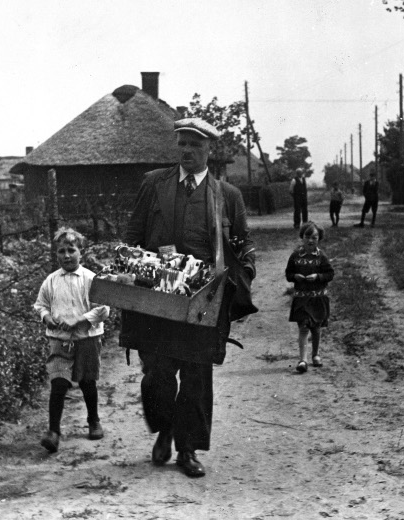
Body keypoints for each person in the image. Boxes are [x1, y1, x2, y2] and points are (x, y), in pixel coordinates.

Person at [121, 117, 257, 478]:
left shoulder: (227, 195)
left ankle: (187, 449)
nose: (186, 150)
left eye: (194, 145)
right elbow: (132, 236)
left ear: (209, 150)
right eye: (182, 143)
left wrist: (239, 279)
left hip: (203, 305)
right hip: (157, 302)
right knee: (157, 374)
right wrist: (128, 270)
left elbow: (244, 248)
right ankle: (165, 429)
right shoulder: (153, 184)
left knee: (196, 377)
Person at [34, 227, 110, 453]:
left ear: (81, 252)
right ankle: (54, 431)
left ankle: (93, 420)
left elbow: (103, 309)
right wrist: (46, 317)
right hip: (59, 339)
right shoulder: (51, 281)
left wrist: (80, 320)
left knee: (87, 382)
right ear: (56, 254)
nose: (66, 256)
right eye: (61, 252)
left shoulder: (90, 279)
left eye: (71, 250)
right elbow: (40, 304)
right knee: (58, 383)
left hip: (86, 338)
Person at [285, 221, 335, 373]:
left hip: (317, 298)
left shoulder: (321, 257)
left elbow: (330, 274)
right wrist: (296, 277)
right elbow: (288, 274)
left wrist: (318, 276)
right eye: (307, 236)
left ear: (319, 239)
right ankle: (303, 360)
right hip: (301, 298)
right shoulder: (295, 256)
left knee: (316, 328)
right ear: (302, 237)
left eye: (314, 237)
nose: (310, 240)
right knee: (303, 328)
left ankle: (316, 354)